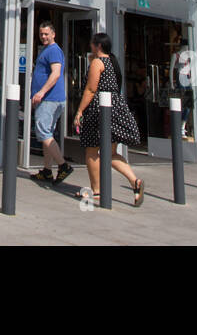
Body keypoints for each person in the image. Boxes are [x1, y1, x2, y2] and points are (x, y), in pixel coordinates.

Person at [72, 34, 144, 206]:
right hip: (115, 109)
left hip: (99, 110)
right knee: (109, 153)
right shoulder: (113, 62)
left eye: (92, 43)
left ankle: (96, 191)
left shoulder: (98, 63)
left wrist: (79, 111)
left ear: (97, 45)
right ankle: (135, 182)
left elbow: (90, 89)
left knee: (91, 151)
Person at [29, 20, 73, 185]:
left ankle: (63, 166)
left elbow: (55, 74)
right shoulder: (48, 50)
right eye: (41, 34)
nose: (43, 37)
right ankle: (47, 171)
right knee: (47, 133)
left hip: (49, 99)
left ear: (53, 34)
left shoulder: (53, 50)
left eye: (46, 34)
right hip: (51, 99)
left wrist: (41, 92)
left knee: (44, 133)